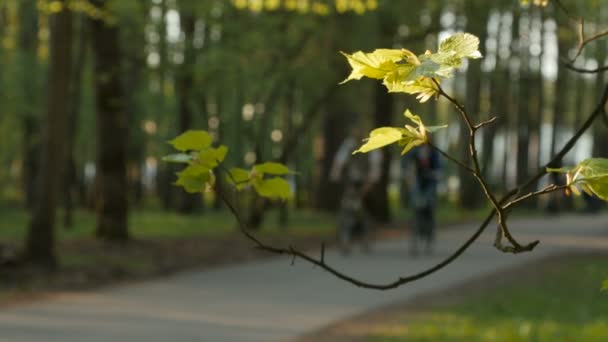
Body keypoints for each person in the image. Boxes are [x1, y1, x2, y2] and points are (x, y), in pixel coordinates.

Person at [330, 126, 382, 255]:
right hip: (351, 180)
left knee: (366, 206)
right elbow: (339, 161)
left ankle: (366, 232)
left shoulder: (372, 144)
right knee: (346, 205)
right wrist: (335, 173)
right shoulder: (349, 144)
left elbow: (376, 166)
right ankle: (345, 238)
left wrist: (371, 181)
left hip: (366, 181)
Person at [402, 143, 441, 256]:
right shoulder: (413, 153)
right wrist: (408, 176)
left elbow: (439, 169)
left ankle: (429, 237)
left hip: (430, 186)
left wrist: (435, 174)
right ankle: (414, 240)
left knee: (429, 212)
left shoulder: (434, 154)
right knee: (415, 213)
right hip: (417, 186)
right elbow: (406, 168)